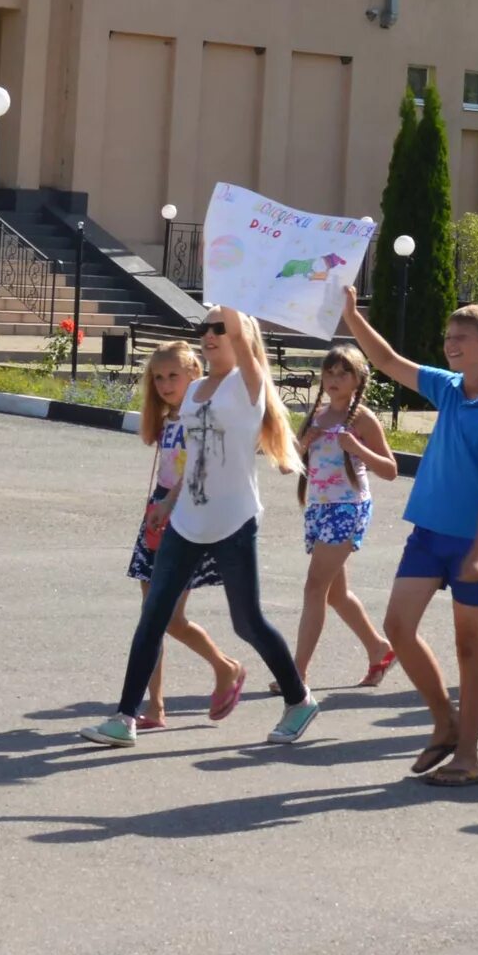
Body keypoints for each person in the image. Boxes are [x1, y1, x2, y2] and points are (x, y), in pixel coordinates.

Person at [87, 308, 321, 751]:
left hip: (234, 521)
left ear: (241, 336)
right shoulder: (194, 391)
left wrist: (232, 284)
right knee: (153, 615)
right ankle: (124, 717)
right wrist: (168, 503)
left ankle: (299, 699)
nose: (210, 335)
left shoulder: (249, 385)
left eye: (220, 329)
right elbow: (193, 459)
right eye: (205, 329)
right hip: (186, 521)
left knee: (247, 622)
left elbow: (240, 334)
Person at [333, 286, 478, 784]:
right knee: (397, 626)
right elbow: (388, 360)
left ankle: (469, 756)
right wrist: (350, 314)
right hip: (428, 533)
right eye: (447, 337)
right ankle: (445, 721)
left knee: (469, 646)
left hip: (474, 542)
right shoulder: (448, 387)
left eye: (460, 337)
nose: (450, 344)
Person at [125, 340, 239, 725]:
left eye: (173, 375)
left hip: (188, 513)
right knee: (149, 617)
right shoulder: (169, 417)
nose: (164, 383)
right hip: (158, 512)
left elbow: (201, 469)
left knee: (170, 617)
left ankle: (224, 667)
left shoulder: (202, 414)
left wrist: (169, 504)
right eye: (158, 378)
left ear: (195, 372)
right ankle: (154, 706)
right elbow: (154, 447)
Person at [290, 346, 397, 688]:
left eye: (343, 373)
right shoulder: (316, 414)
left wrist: (358, 448)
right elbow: (285, 463)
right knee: (335, 594)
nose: (334, 380)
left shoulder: (361, 418)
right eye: (330, 373)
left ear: (358, 380)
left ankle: (297, 673)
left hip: (347, 508)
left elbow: (391, 469)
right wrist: (302, 444)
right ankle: (379, 648)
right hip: (318, 508)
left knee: (314, 587)